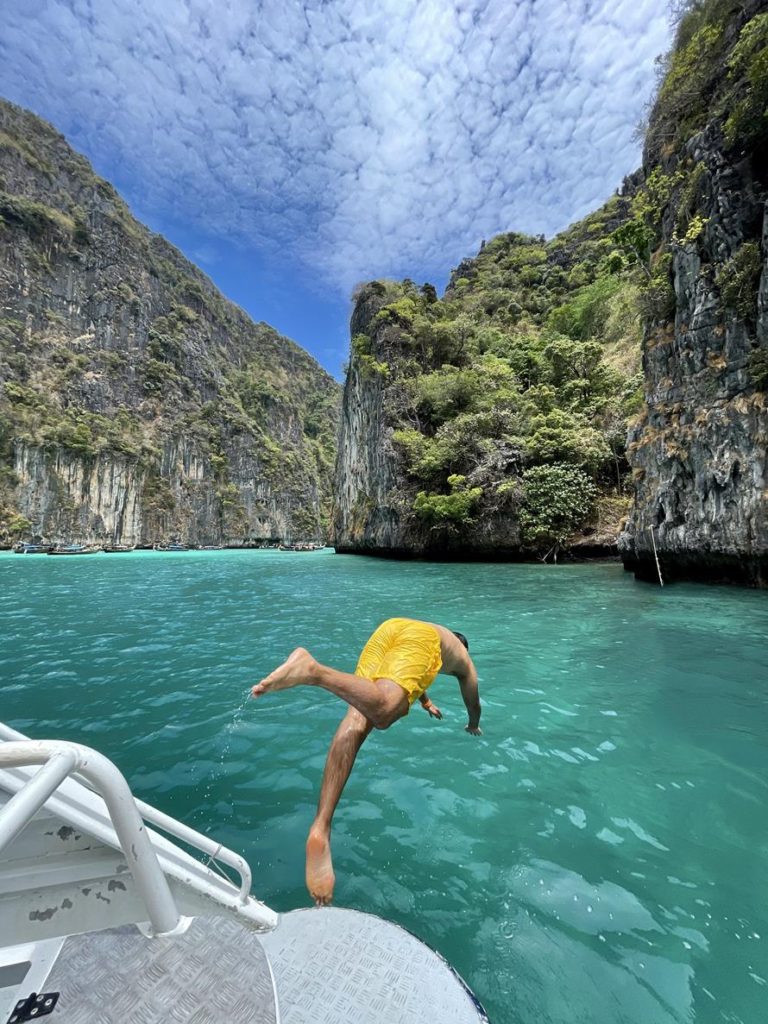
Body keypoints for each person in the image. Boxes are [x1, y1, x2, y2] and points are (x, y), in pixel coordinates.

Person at [252, 617, 481, 906]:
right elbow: (472, 698)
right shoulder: (461, 656)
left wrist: (425, 702)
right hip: (419, 641)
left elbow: (411, 667)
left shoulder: (434, 636)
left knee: (358, 717)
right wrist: (473, 722)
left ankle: (321, 826)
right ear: (463, 647)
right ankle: (313, 672)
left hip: (388, 630)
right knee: (384, 713)